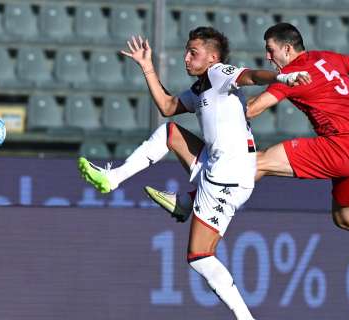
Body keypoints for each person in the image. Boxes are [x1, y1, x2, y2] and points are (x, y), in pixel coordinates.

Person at [146, 23, 349, 260]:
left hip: (341, 145)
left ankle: (188, 200)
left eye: (271, 49)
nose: (268, 56)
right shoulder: (329, 59)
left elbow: (257, 106)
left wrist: (217, 107)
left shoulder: (295, 72)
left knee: (259, 162)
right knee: (346, 217)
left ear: (288, 48)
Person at [78, 26, 309, 320]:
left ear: (212, 57)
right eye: (187, 51)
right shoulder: (201, 87)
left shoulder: (218, 73)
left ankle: (245, 317)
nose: (186, 58)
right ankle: (157, 192)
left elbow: (249, 75)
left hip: (226, 178)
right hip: (218, 167)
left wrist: (282, 76)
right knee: (170, 132)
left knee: (200, 256)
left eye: (193, 53)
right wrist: (148, 67)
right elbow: (167, 106)